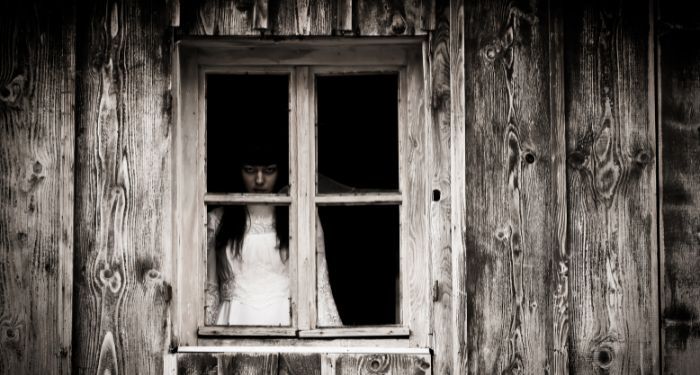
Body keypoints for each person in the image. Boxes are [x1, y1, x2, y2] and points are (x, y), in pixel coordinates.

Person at [204, 144, 341, 326]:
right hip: (232, 323)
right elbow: (210, 290)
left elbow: (319, 284)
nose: (259, 180)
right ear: (238, 171)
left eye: (269, 170)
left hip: (286, 323)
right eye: (250, 170)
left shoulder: (298, 218)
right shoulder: (216, 221)